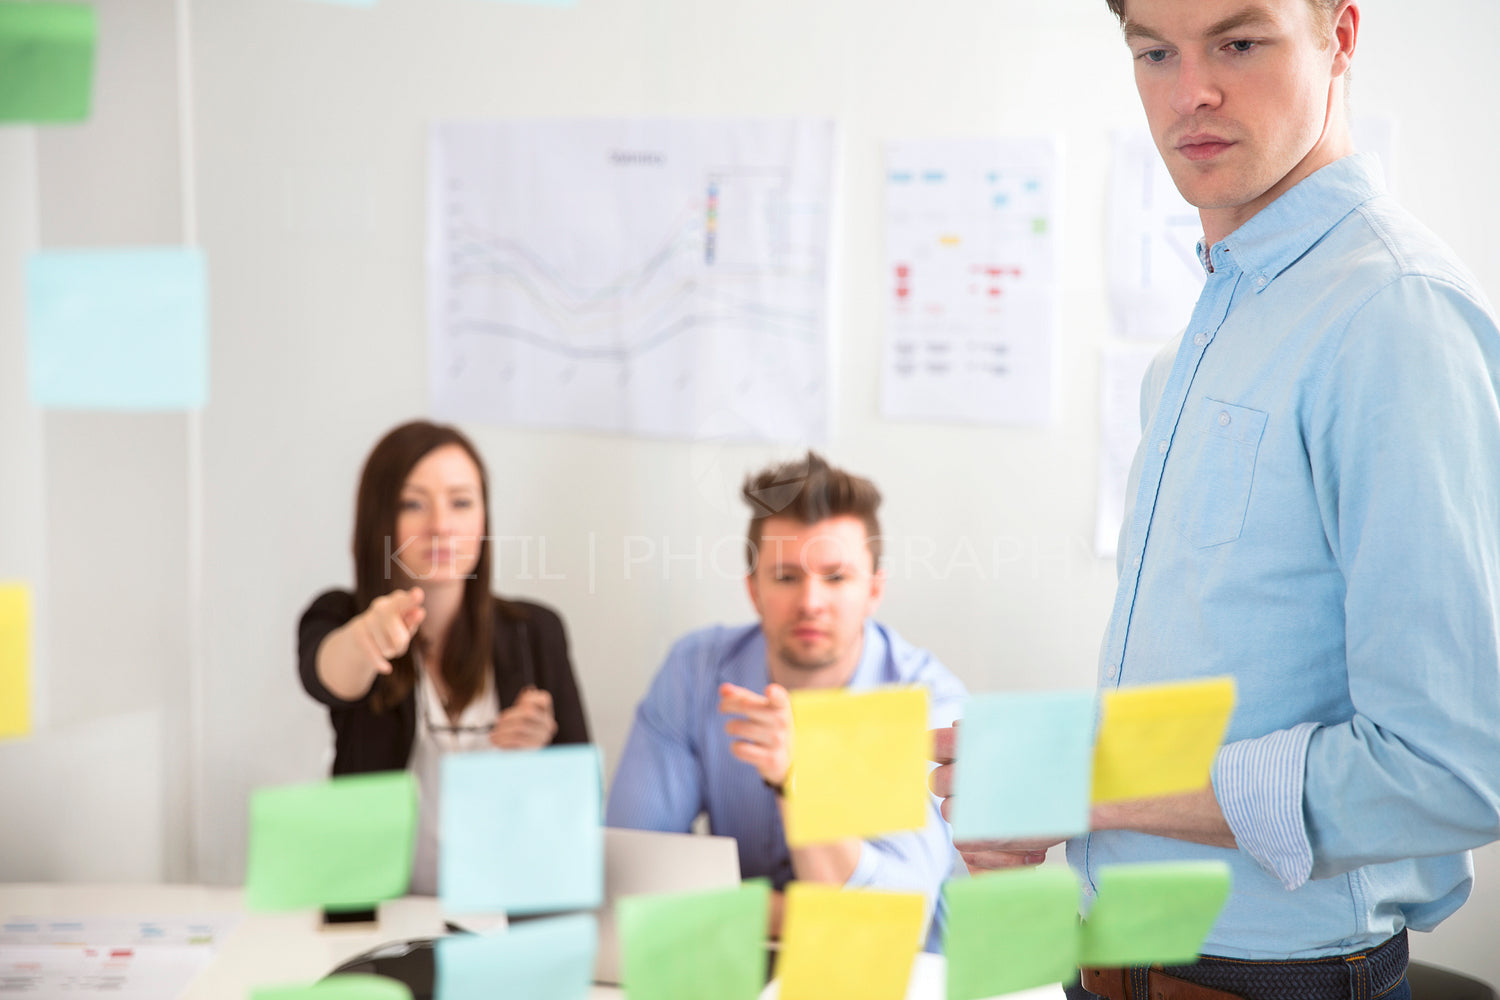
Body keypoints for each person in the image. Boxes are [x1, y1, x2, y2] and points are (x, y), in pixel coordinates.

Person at [932, 2, 1500, 998]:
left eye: (1238, 42)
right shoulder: (1193, 346)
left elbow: (1452, 772)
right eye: (1154, 51)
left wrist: (1090, 781)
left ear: (1342, 37)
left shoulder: (1394, 317)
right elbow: (1225, 690)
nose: (1188, 89)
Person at [606, 452, 966, 950]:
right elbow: (630, 875)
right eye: (786, 577)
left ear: (874, 590)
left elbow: (886, 917)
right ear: (753, 590)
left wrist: (794, 780)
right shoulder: (694, 673)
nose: (811, 603)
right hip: (736, 964)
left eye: (836, 578)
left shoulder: (923, 700)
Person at [299, 419, 590, 895]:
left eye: (461, 502)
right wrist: (368, 636)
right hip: (381, 912)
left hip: (509, 910)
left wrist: (539, 754)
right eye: (413, 504)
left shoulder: (536, 632)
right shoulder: (339, 615)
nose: (441, 525)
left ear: (483, 520)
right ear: (380, 521)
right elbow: (327, 674)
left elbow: (581, 799)